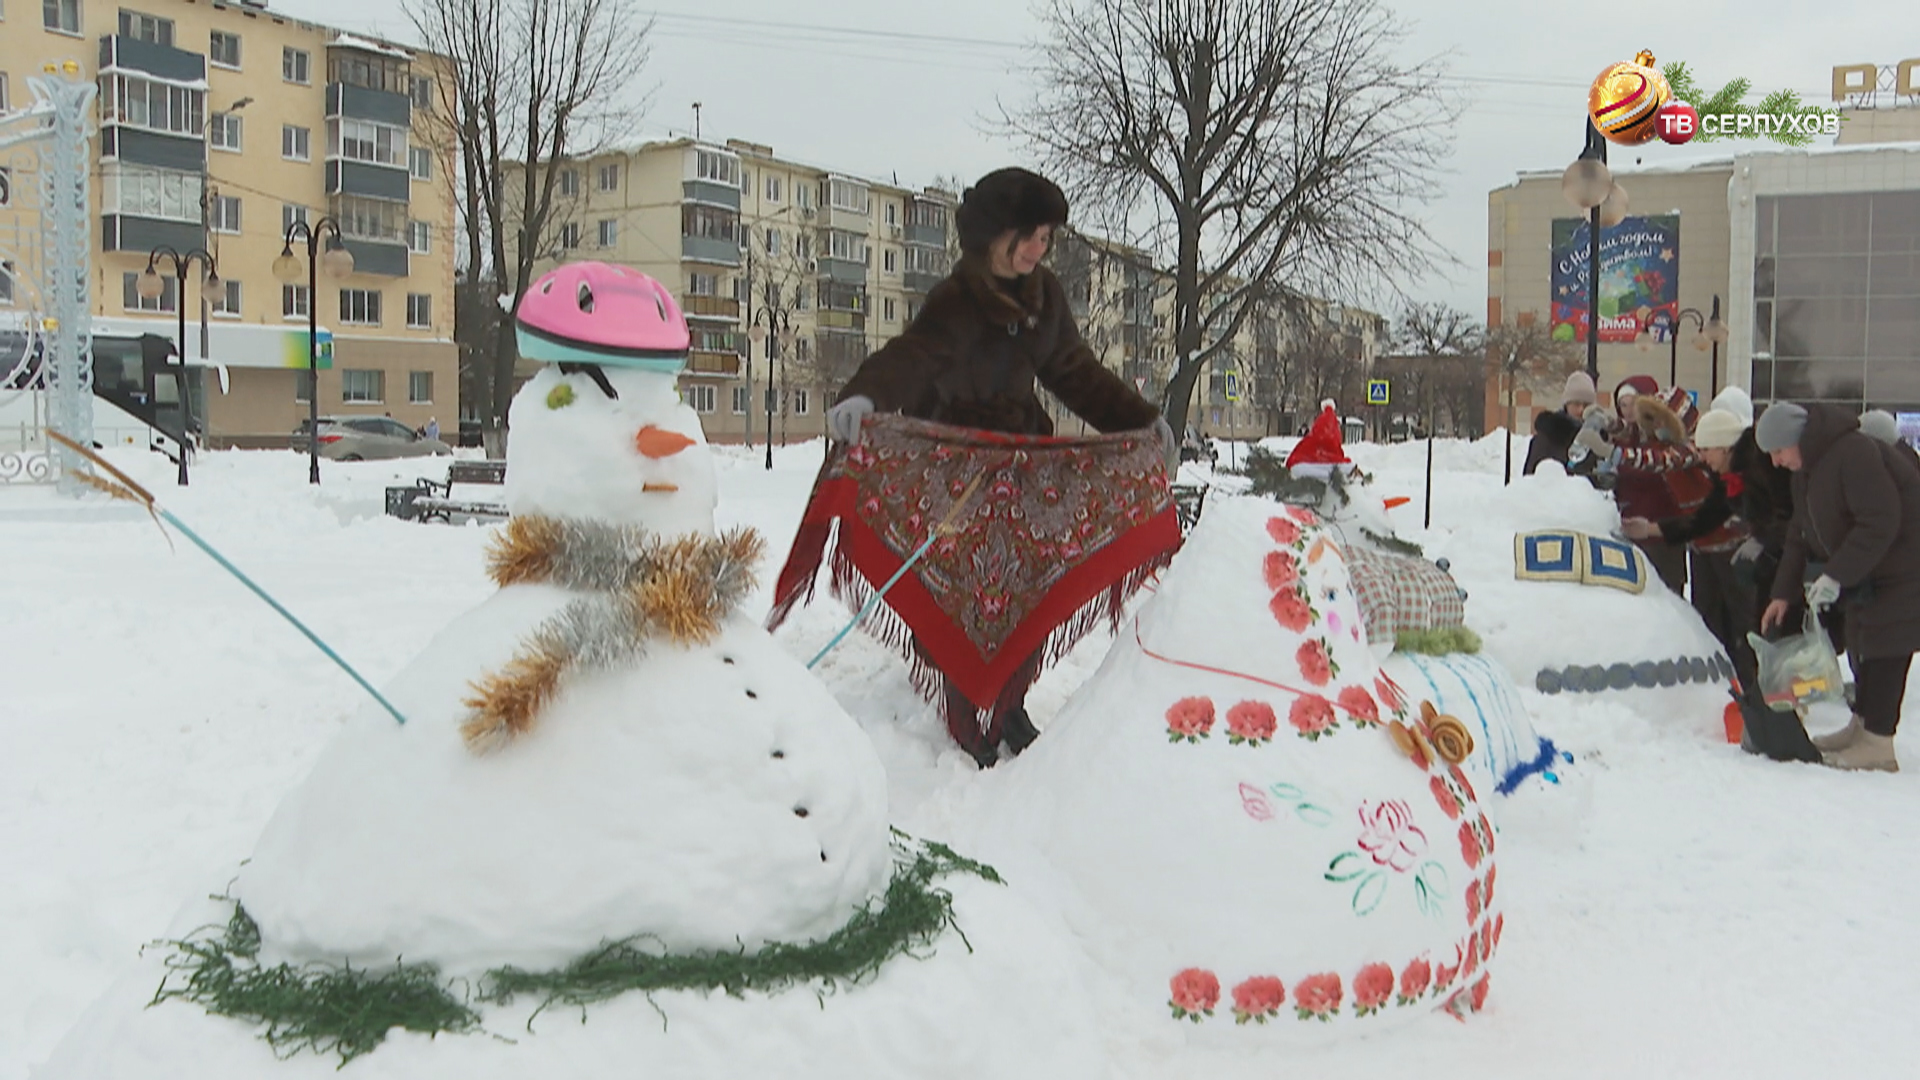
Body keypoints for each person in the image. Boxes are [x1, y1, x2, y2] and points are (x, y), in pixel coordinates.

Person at [825, 167, 1172, 766]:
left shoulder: (1045, 298)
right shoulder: (956, 300)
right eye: (1029, 237)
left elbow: (1075, 372)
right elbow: (910, 357)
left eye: (1046, 238)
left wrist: (1139, 421)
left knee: (1024, 585)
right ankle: (963, 703)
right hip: (952, 463)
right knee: (964, 587)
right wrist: (865, 396)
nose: (1040, 250)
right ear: (994, 235)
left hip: (1018, 459)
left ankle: (1009, 700)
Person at [1756, 402, 1920, 772]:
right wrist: (1783, 592)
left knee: (1885, 646)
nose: (1776, 462)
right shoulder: (1809, 470)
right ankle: (1861, 728)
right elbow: (1800, 534)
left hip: (1904, 569)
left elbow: (1880, 520)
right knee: (1862, 641)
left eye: (1778, 451)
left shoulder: (1853, 453)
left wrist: (1837, 574)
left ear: (1796, 439)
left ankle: (1878, 743)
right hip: (1870, 572)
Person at [1622, 406, 1794, 721]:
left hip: (1784, 560)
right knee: (1740, 627)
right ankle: (1755, 698)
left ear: (1724, 446)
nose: (1703, 458)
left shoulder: (1762, 468)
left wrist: (1764, 541)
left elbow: (1789, 515)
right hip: (1768, 556)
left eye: (1706, 450)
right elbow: (1705, 518)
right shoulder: (1729, 476)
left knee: (1759, 627)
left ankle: (1774, 700)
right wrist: (1651, 529)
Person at [1576, 375, 1700, 593]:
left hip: (1665, 538)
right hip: (1637, 531)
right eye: (1623, 405)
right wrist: (1605, 421)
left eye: (1663, 420)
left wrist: (1612, 453)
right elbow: (1627, 429)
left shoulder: (1688, 446)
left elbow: (1657, 460)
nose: (1629, 410)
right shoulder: (1643, 433)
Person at [1522, 371, 1599, 476]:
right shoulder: (1547, 438)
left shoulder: (1598, 438)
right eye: (1576, 404)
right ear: (1567, 404)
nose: (1581, 409)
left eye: (1586, 405)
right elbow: (1530, 479)